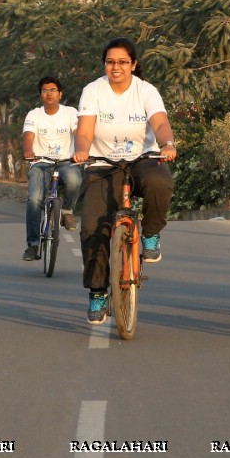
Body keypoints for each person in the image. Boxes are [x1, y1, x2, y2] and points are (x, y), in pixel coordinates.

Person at [73, 37, 178, 324]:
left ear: (133, 64)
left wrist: (167, 142)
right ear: (104, 64)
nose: (115, 67)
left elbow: (159, 122)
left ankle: (151, 233)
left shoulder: (146, 91)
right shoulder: (93, 91)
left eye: (122, 62)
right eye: (110, 61)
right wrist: (81, 149)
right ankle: (97, 292)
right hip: (102, 164)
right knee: (92, 229)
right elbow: (84, 130)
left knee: (161, 182)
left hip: (141, 158)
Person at [22, 76, 83, 261]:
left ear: (60, 94)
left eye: (53, 90)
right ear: (41, 94)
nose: (49, 94)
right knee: (34, 200)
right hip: (41, 162)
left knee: (74, 180)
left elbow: (78, 133)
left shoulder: (70, 113)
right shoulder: (34, 114)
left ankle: (67, 212)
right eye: (45, 90)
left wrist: (80, 150)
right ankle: (33, 245)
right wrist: (28, 151)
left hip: (66, 161)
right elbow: (28, 136)